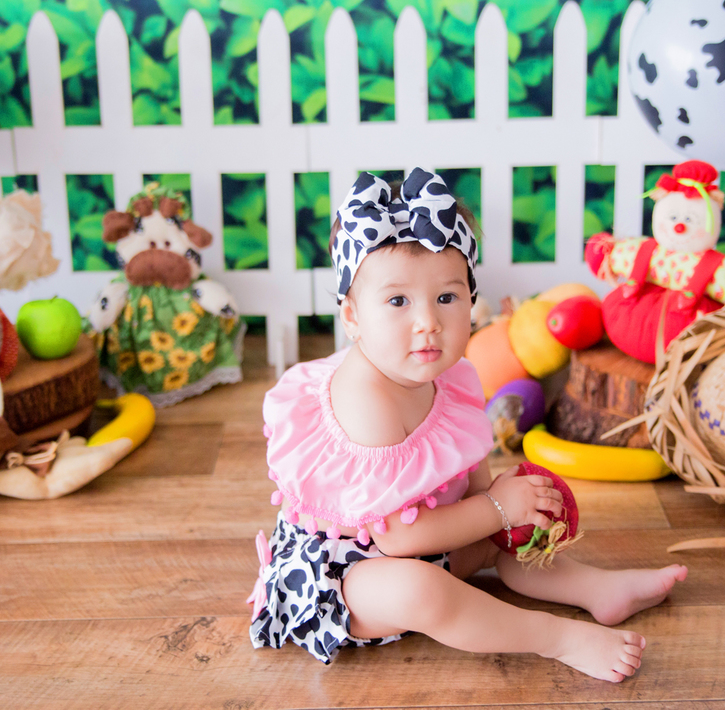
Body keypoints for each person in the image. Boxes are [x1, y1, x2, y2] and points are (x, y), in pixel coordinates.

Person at [248, 168, 686, 681]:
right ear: (351, 315)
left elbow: (471, 482)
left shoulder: (453, 375)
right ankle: (557, 639)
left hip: (429, 542)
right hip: (346, 577)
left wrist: (504, 508)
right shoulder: (368, 400)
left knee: (511, 529)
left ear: (471, 300)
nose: (428, 321)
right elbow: (395, 541)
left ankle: (594, 589)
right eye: (397, 301)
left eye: (447, 298)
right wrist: (497, 506)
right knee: (421, 589)